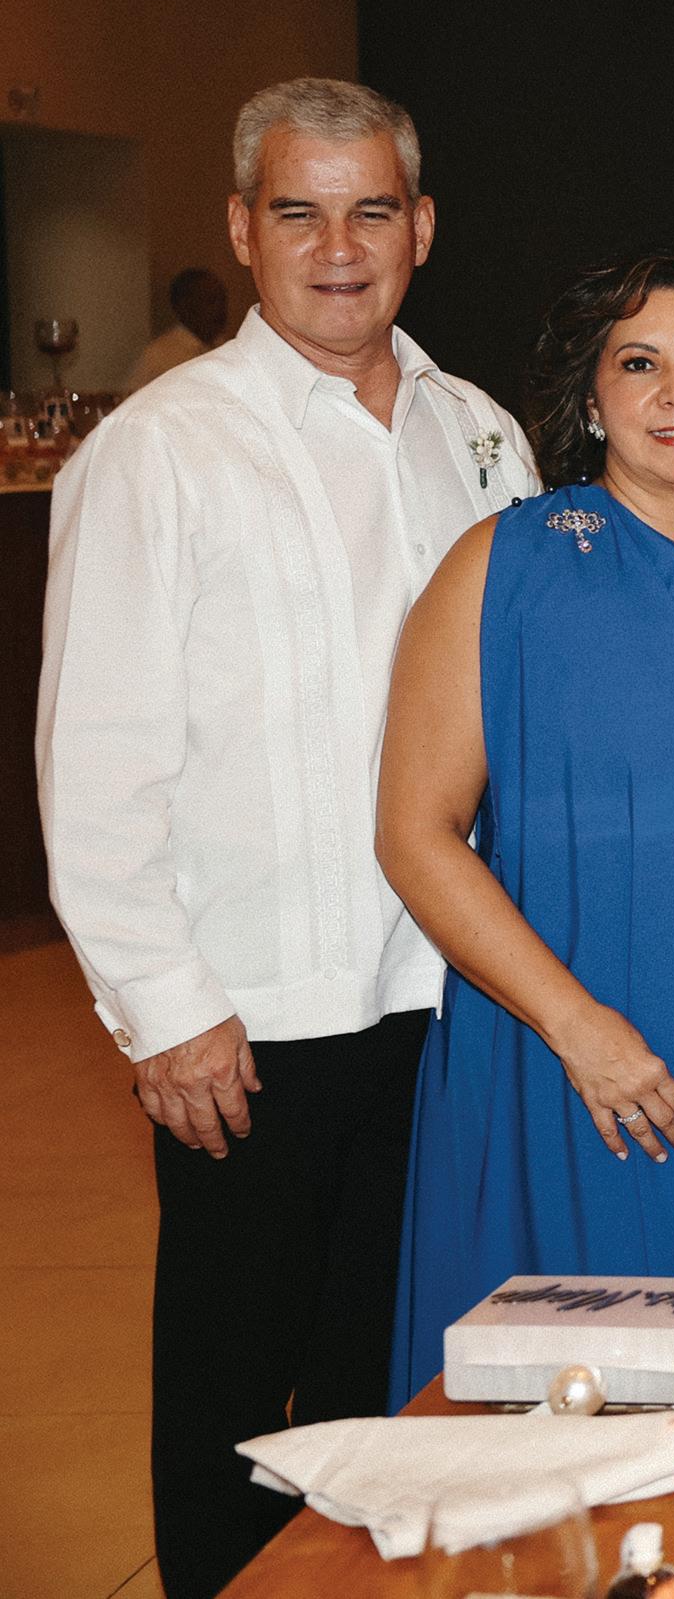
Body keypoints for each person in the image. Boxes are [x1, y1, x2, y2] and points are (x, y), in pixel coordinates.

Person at [35, 78, 537, 1599]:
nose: (338, 247)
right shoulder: (163, 448)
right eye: (300, 212)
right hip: (254, 1015)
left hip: (443, 1000)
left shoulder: (479, 432)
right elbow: (95, 754)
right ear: (242, 229)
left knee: (389, 1379)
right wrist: (163, 1003)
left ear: (422, 227)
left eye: (371, 210)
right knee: (236, 1400)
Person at [380, 251, 674, 1403]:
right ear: (591, 398)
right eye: (639, 365)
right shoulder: (505, 566)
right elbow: (414, 833)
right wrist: (577, 1026)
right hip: (591, 1053)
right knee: (597, 1402)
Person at [122, 267, 231, 394]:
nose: (219, 308)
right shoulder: (160, 356)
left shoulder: (226, 348)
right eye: (210, 301)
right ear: (184, 306)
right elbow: (133, 399)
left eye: (222, 299)